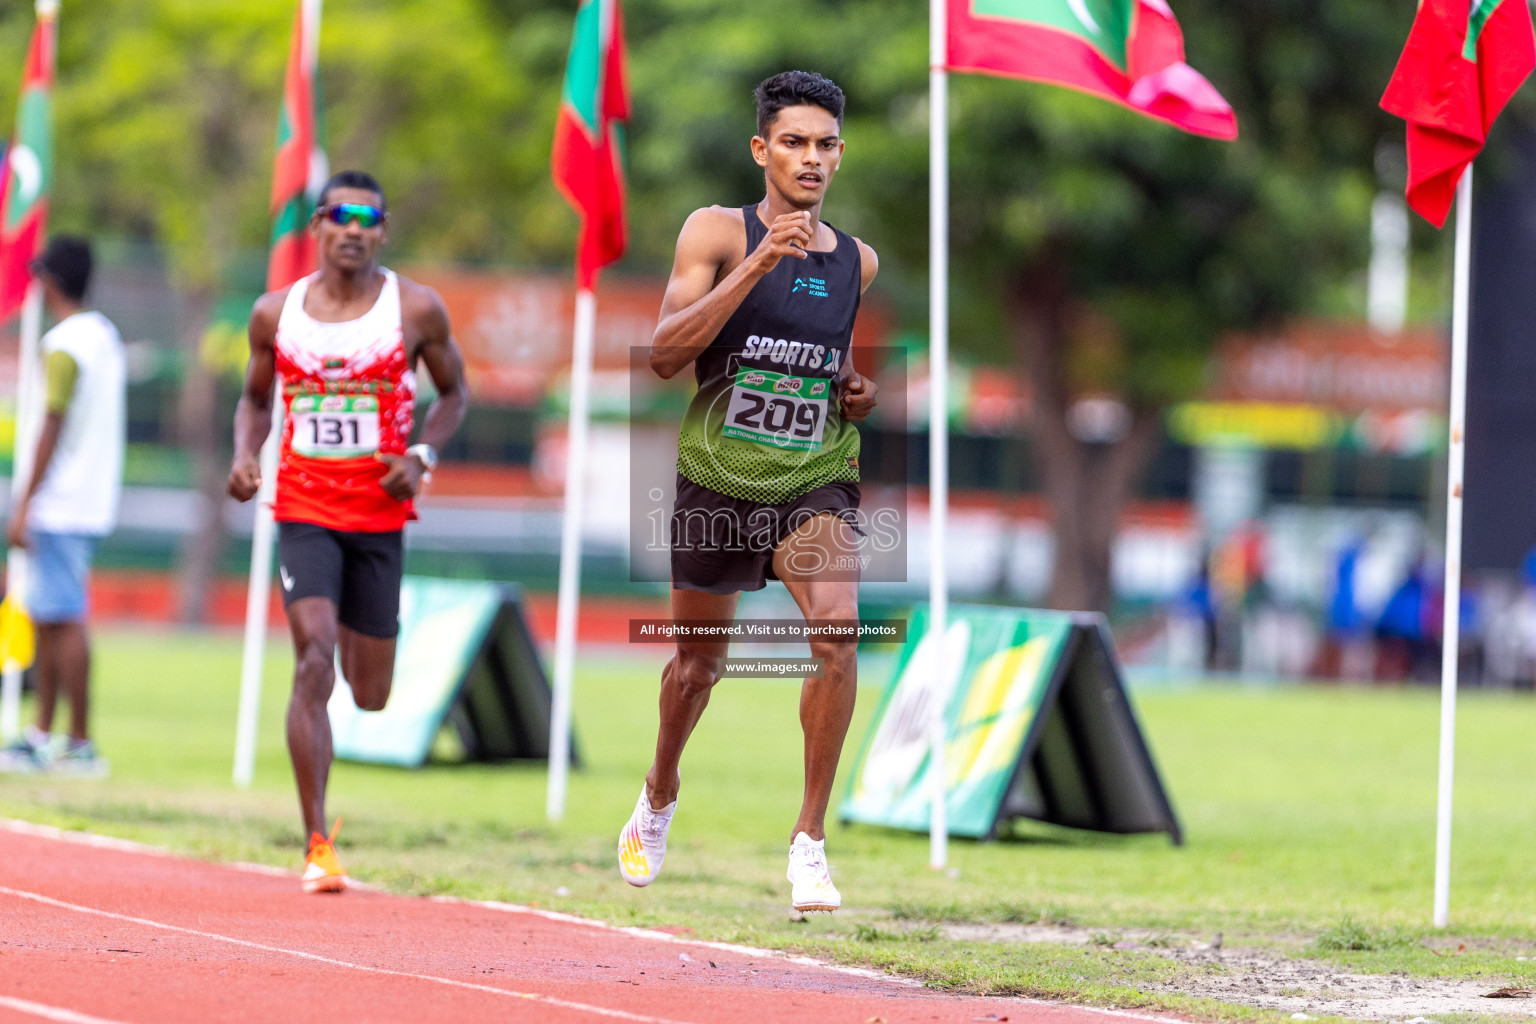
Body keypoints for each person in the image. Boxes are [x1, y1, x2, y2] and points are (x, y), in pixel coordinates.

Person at [619, 71, 879, 913]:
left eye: (826, 144)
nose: (812, 158)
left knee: (837, 632)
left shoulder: (857, 262)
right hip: (719, 476)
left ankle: (810, 841)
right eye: (795, 143)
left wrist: (852, 387)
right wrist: (760, 260)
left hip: (814, 475)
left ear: (841, 153)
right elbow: (664, 353)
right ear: (762, 150)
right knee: (699, 666)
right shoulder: (717, 231)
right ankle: (660, 792)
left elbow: (819, 355)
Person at [227, 170, 467, 893]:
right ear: (319, 227)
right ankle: (316, 843)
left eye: (369, 219)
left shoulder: (416, 309)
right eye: (340, 217)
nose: (354, 230)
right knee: (312, 658)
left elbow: (454, 393)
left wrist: (422, 454)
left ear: (383, 231)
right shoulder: (275, 313)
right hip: (303, 507)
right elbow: (254, 399)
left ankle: (322, 827)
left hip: (379, 516)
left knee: (369, 694)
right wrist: (244, 454)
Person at [0, 236, 125, 778]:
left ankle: (76, 741)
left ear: (48, 280)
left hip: (61, 500)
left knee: (65, 617)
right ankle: (44, 734)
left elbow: (51, 422)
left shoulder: (64, 343)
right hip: (89, 495)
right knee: (51, 616)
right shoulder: (104, 336)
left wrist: (24, 503)